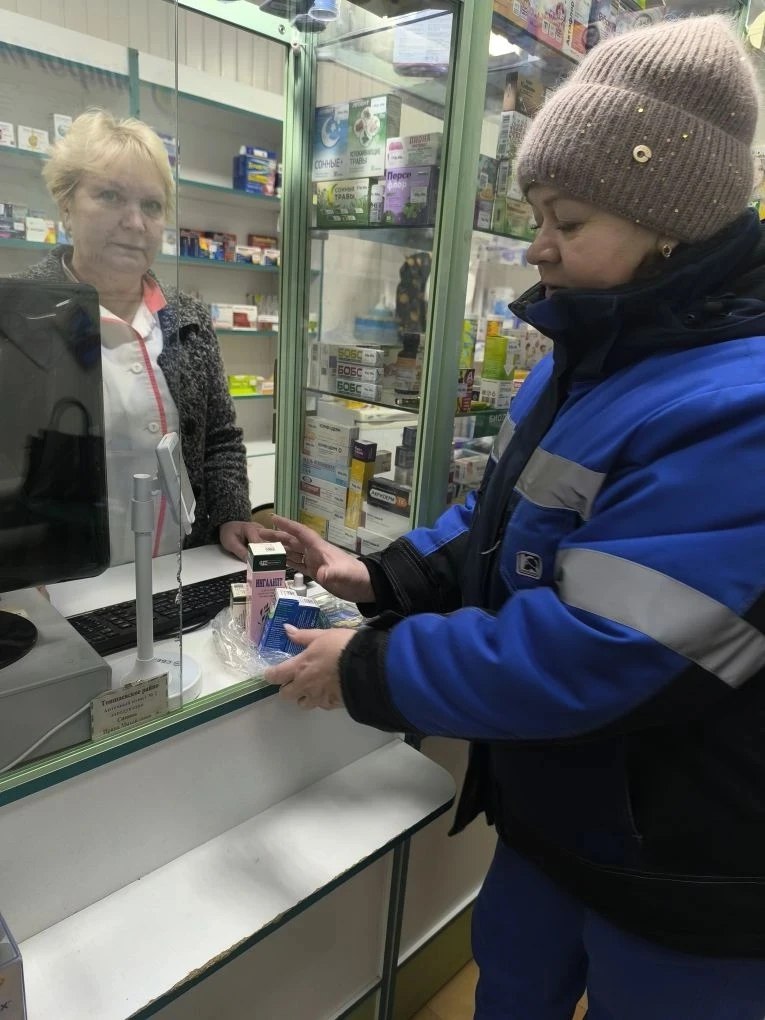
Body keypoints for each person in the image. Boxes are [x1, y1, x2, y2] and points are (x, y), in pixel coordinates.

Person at [259, 15, 765, 1019]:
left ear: (670, 221)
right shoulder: (588, 356)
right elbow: (501, 520)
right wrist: (386, 576)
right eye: (535, 214)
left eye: (566, 221)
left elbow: (601, 649)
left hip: (684, 867)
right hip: (555, 814)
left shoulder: (737, 406)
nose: (537, 246)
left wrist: (370, 668)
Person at [16, 110, 259, 565]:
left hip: (182, 570)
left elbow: (220, 440)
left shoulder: (189, 320)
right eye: (110, 196)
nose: (135, 222)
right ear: (65, 204)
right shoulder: (19, 315)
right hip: (63, 580)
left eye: (151, 205)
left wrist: (231, 514)